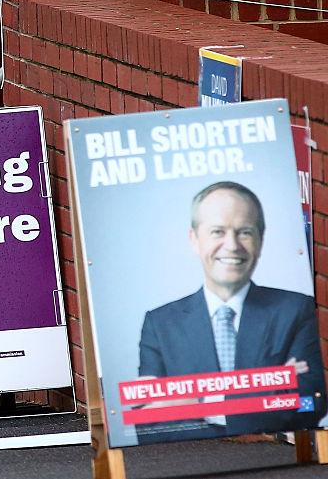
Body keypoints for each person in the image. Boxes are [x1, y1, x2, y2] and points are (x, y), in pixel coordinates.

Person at [136, 182, 326, 442]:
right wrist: (269, 387)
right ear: (194, 239)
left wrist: (196, 400)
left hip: (271, 463)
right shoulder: (160, 324)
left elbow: (308, 404)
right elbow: (149, 422)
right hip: (189, 462)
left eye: (245, 232)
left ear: (260, 240)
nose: (232, 245)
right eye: (217, 231)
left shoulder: (294, 310)